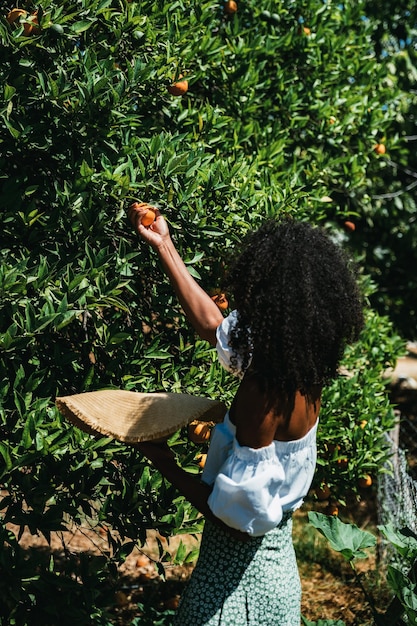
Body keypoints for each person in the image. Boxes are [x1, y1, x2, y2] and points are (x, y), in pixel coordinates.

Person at [127, 202, 364, 626]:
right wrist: (165, 245)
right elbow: (213, 326)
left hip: (237, 589)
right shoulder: (299, 367)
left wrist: (160, 458)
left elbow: (238, 518)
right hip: (274, 571)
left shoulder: (264, 394)